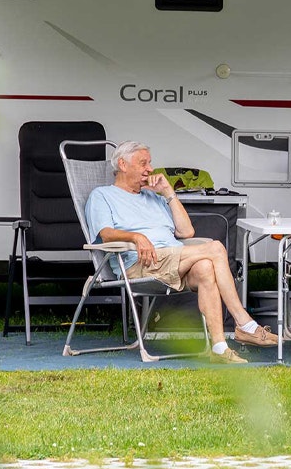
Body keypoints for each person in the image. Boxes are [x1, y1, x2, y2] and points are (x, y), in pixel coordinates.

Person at [85, 140, 276, 364]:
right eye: (143, 163)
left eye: (150, 163)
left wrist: (168, 193)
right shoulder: (102, 195)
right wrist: (136, 237)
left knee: (205, 268)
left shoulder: (154, 198)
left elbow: (186, 231)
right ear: (123, 165)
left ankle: (219, 347)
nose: (150, 169)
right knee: (215, 248)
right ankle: (245, 323)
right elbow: (105, 233)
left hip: (172, 261)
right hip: (141, 265)